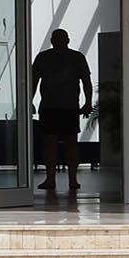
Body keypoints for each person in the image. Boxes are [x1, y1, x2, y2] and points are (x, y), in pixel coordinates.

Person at [29, 28, 94, 198]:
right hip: (58, 107)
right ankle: (60, 179)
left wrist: (88, 102)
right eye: (57, 38)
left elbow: (86, 82)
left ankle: (64, 179)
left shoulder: (68, 57)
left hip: (64, 107)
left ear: (66, 40)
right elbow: (33, 81)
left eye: (60, 38)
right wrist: (29, 101)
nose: (58, 41)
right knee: (63, 143)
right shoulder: (68, 57)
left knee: (63, 143)